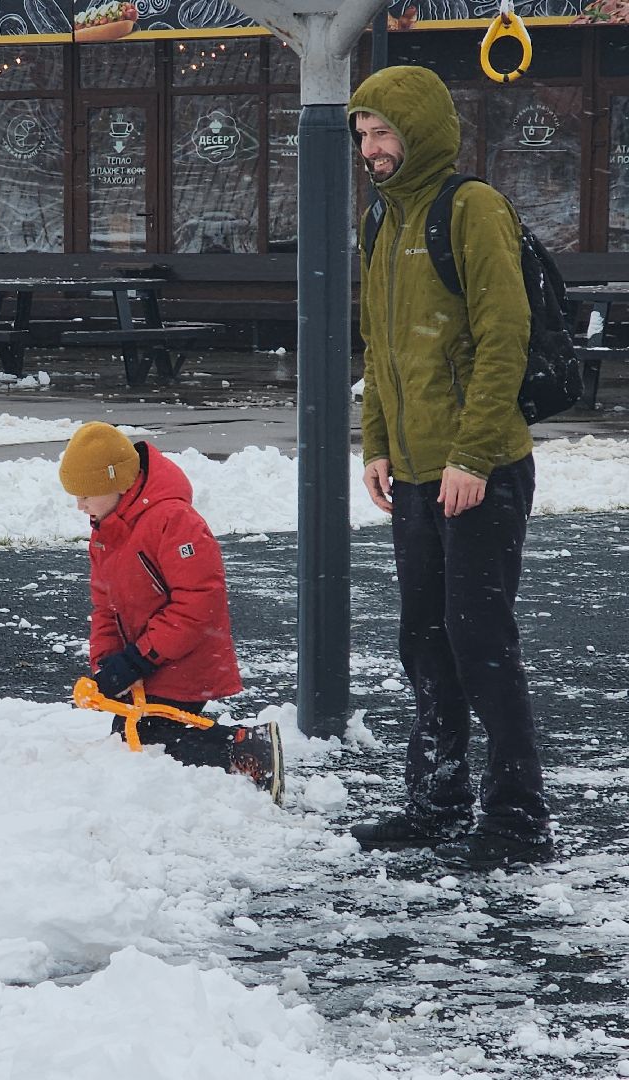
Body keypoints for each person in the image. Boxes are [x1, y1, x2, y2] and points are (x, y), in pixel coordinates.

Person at [348, 65, 553, 868]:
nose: (372, 148)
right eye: (364, 135)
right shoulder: (380, 222)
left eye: (385, 132)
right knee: (424, 642)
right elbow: (381, 349)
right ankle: (436, 800)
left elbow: (506, 337)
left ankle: (517, 818)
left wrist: (471, 455)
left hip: (483, 467)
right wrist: (375, 443)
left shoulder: (471, 210)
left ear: (422, 130)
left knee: (480, 642)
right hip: (415, 472)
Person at [58, 421, 282, 803]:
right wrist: (108, 661)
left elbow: (198, 602)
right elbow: (105, 605)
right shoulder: (106, 529)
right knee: (124, 737)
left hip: (184, 660)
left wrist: (139, 658)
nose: (80, 506)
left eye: (86, 494)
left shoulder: (174, 522)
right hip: (147, 662)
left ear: (119, 482)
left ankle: (250, 750)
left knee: (154, 743)